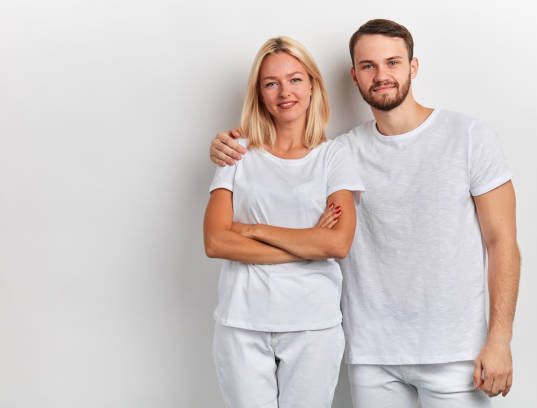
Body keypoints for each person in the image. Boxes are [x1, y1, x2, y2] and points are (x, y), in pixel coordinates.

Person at [209, 19, 521, 408]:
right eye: (369, 66)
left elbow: (502, 241)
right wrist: (226, 145)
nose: (382, 75)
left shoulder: (469, 136)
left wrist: (500, 339)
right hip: (372, 357)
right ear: (354, 76)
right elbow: (282, 158)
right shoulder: (343, 151)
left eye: (393, 62)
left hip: (455, 354)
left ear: (413, 67)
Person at [203, 36, 364, 408]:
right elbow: (215, 242)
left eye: (294, 79)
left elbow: (337, 244)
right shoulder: (237, 151)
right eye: (271, 83)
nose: (284, 92)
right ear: (259, 94)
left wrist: (252, 230)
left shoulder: (334, 157)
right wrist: (306, 244)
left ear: (312, 85)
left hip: (312, 323)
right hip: (241, 322)